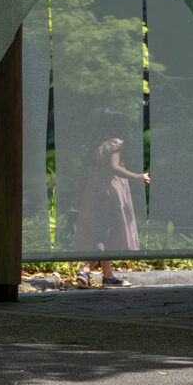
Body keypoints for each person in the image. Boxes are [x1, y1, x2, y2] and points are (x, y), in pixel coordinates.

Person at [73, 108, 150, 288]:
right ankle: (86, 270)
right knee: (107, 231)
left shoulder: (95, 144)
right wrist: (138, 177)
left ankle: (108, 276)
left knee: (102, 230)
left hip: (95, 191)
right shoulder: (115, 144)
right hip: (111, 191)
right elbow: (114, 168)